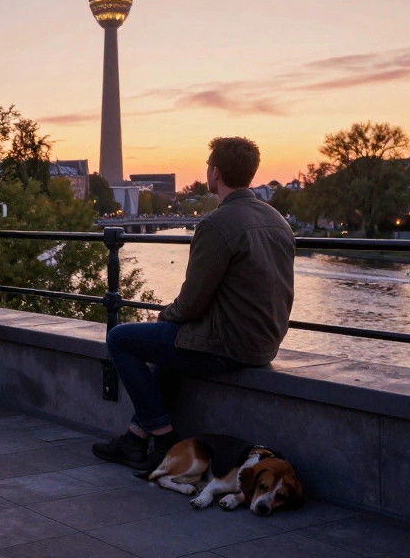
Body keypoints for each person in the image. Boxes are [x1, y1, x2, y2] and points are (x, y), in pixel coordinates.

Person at [92, 137, 295, 469]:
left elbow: (192, 303)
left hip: (227, 345)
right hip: (265, 343)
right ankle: (134, 438)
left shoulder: (217, 224)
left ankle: (165, 440)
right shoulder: (277, 221)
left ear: (214, 173)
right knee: (170, 345)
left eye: (207, 165)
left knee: (121, 339)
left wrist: (165, 316)